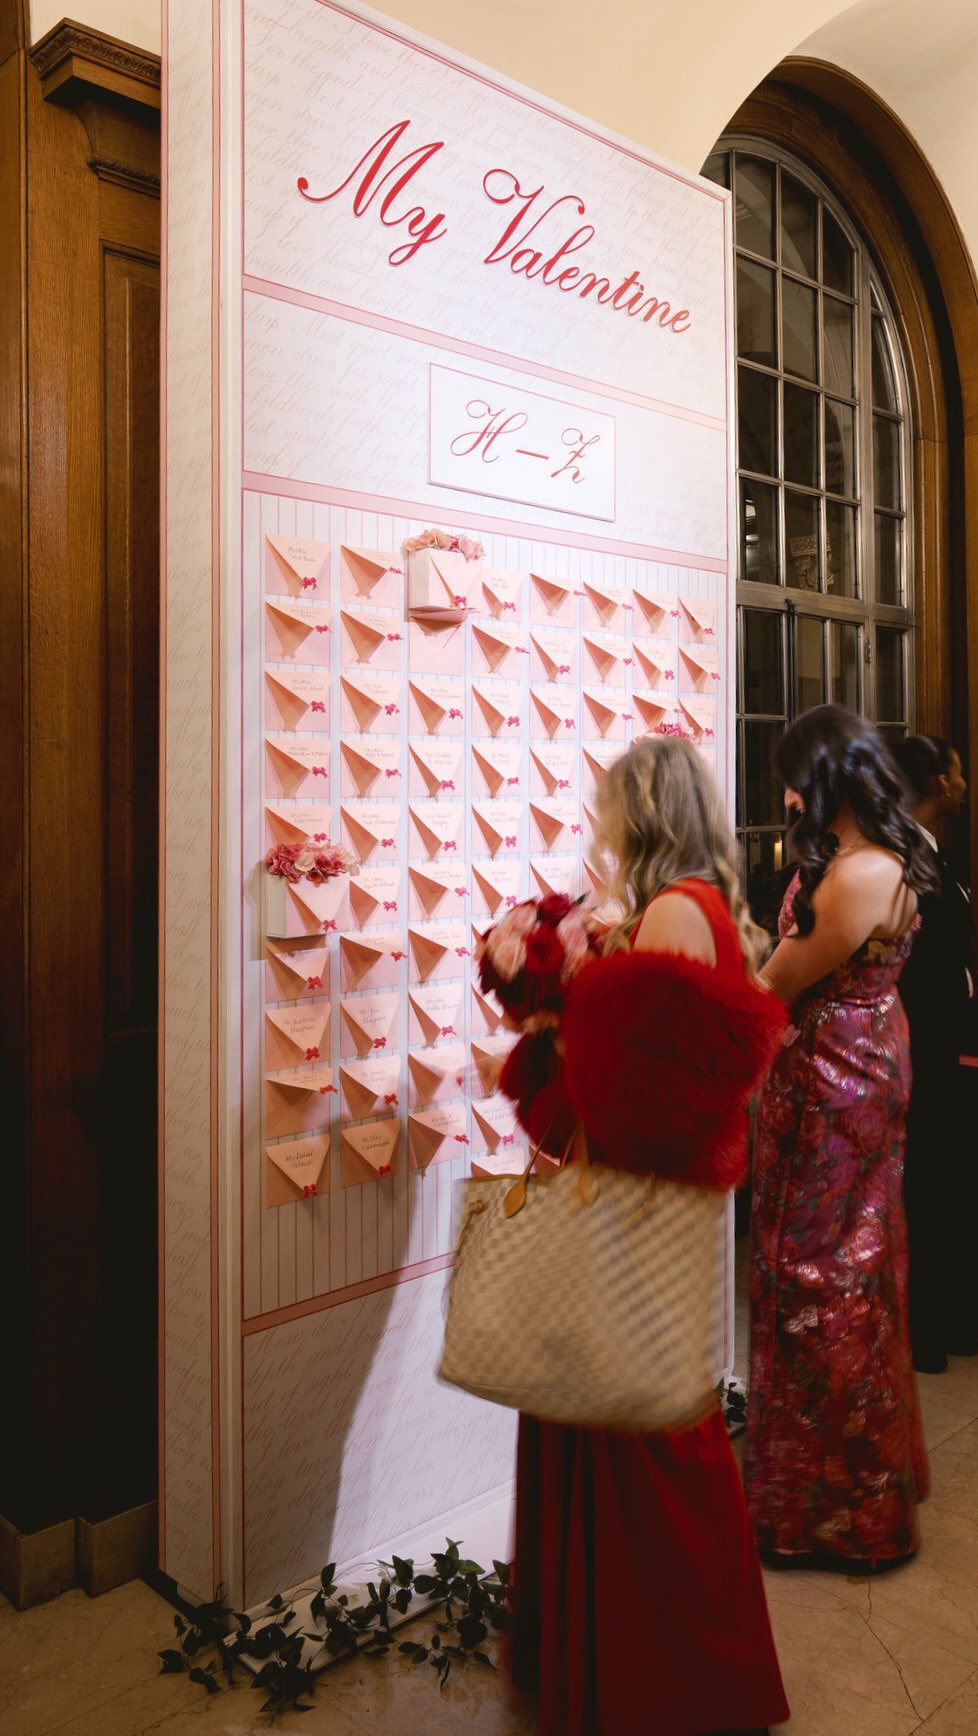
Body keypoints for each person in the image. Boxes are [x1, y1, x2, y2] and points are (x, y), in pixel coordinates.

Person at [499, 735, 790, 1736]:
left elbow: (623, 1085)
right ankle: (655, 1666)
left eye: (609, 803)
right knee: (655, 1433)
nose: (598, 820)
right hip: (658, 1200)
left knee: (649, 1448)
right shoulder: (698, 906)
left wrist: (541, 981)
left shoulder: (669, 910)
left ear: (645, 812)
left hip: (631, 1204)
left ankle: (666, 1680)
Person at [746, 705, 936, 1570]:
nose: (787, 794)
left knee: (818, 1278)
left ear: (830, 776)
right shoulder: (884, 857)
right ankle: (846, 1492)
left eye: (796, 776)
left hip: (833, 1083)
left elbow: (780, 981)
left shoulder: (860, 871)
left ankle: (833, 1509)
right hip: (862, 1063)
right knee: (855, 1265)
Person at [891, 734, 975, 1372]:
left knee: (940, 1179)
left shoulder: (933, 851)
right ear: (941, 785)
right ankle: (923, 1333)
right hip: (917, 1040)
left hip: (940, 1037)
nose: (965, 783)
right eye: (959, 773)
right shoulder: (906, 859)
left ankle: (943, 1322)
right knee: (922, 1183)